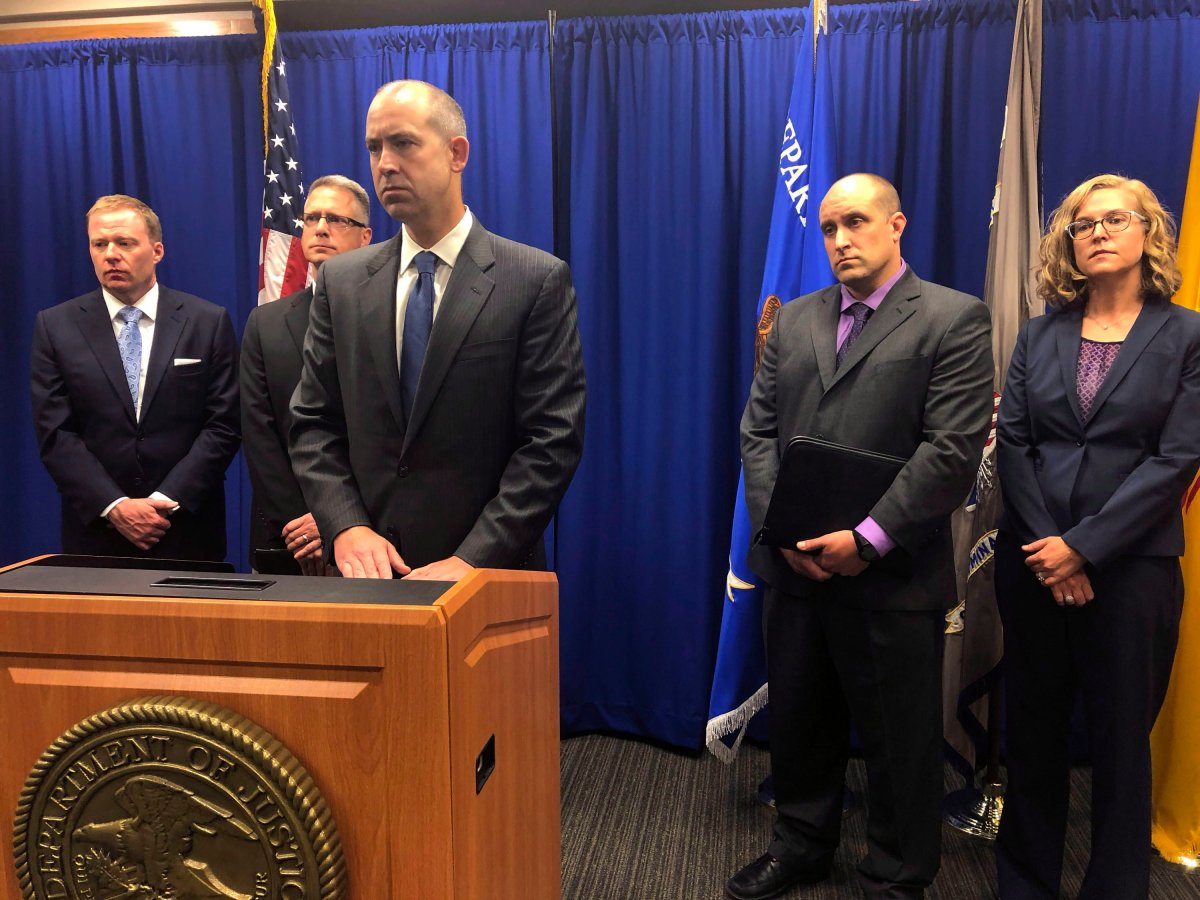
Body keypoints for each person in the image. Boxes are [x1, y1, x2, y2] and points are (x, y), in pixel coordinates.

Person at [732, 173, 994, 900]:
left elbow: (951, 451)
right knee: (802, 720)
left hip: (890, 574)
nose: (840, 240)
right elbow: (757, 432)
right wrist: (778, 531)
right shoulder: (793, 321)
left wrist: (868, 538)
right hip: (794, 568)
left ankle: (897, 873)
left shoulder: (953, 317)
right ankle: (802, 845)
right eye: (828, 228)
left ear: (896, 224)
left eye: (855, 222)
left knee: (899, 740)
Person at [994, 174, 1200, 900]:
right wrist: (1054, 551)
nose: (1099, 233)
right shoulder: (1040, 333)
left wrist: (1085, 547)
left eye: (1116, 219)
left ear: (1149, 232)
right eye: (1084, 225)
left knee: (1120, 750)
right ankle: (1023, 884)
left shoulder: (1188, 334)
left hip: (1131, 575)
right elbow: (1014, 446)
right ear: (1069, 244)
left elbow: (1177, 459)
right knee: (1034, 739)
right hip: (1033, 565)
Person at [289, 80, 586, 580]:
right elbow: (313, 423)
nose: (385, 163)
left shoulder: (533, 279)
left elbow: (551, 440)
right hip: (366, 579)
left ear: (456, 153)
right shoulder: (341, 282)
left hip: (487, 584)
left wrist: (470, 561)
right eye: (374, 147)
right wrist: (346, 527)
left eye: (403, 143)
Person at [30, 194, 240, 561]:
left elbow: (223, 424)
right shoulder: (55, 326)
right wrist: (115, 506)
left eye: (125, 242)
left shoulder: (207, 321)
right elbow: (56, 433)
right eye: (100, 244)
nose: (111, 253)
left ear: (157, 251)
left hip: (186, 531)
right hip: (97, 537)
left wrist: (162, 502)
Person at [241, 175, 373, 574]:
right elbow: (259, 432)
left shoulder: (389, 315)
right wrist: (302, 520)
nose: (320, 228)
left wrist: (336, 517)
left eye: (336, 219)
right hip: (289, 537)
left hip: (370, 535)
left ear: (365, 236)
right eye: (311, 217)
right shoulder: (266, 322)